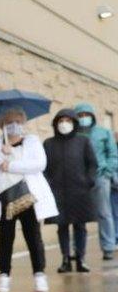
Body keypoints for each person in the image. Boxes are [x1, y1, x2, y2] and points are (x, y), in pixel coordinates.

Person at [0, 108, 57, 292]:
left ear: (23, 123)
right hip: (4, 199)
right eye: (9, 122)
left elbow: (39, 164)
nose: (14, 125)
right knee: (5, 238)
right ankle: (4, 276)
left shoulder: (32, 141)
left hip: (28, 197)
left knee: (33, 236)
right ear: (2, 126)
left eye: (17, 121)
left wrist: (11, 165)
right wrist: (1, 155)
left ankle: (39, 275)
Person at [44, 109, 98, 273]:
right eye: (61, 121)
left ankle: (80, 258)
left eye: (68, 120)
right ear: (55, 124)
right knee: (62, 226)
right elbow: (43, 167)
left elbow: (92, 164)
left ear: (74, 123)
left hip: (79, 190)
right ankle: (65, 259)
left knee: (80, 226)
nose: (64, 124)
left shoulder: (83, 141)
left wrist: (89, 180)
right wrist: (48, 184)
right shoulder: (49, 143)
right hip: (57, 191)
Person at [73, 103, 118, 260]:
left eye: (87, 115)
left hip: (100, 177)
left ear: (92, 116)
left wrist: (107, 172)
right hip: (79, 179)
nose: (84, 118)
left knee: (104, 213)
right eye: (80, 115)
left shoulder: (103, 133)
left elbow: (113, 154)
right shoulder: (74, 135)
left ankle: (108, 247)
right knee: (78, 216)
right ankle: (79, 251)